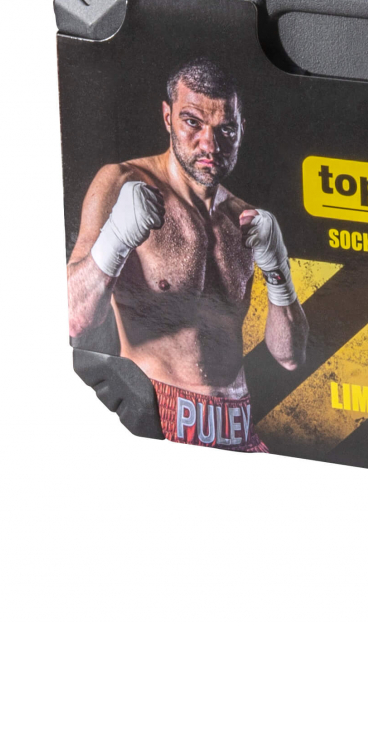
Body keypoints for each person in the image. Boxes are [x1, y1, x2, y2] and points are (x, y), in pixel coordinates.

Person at [66, 58, 308, 451]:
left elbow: (291, 356)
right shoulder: (121, 182)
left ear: (241, 130)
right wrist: (115, 239)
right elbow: (74, 317)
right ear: (168, 117)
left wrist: (278, 270)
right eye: (192, 122)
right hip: (159, 419)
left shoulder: (244, 219)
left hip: (239, 427)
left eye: (225, 129)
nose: (209, 145)